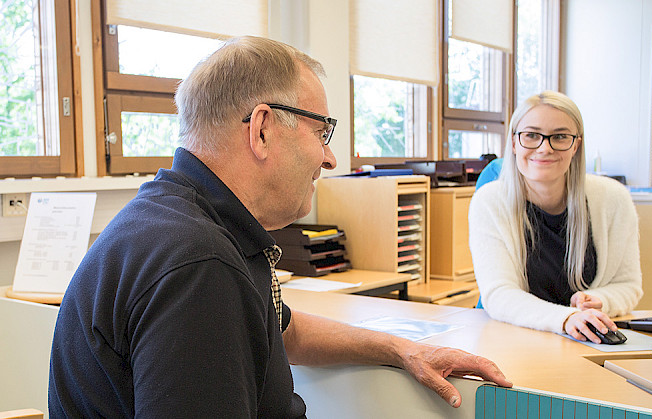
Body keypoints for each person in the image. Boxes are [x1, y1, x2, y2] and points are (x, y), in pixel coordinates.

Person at [48, 36, 511, 418]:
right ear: (263, 129)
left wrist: (403, 349)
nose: (329, 157)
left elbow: (281, 328)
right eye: (321, 132)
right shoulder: (199, 264)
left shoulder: (181, 220)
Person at [468, 91, 642, 344]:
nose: (544, 148)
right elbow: (499, 294)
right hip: (512, 339)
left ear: (576, 145)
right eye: (531, 135)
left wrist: (600, 300)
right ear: (514, 143)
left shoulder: (613, 198)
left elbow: (628, 285)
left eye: (560, 136)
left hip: (586, 341)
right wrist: (567, 318)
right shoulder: (489, 201)